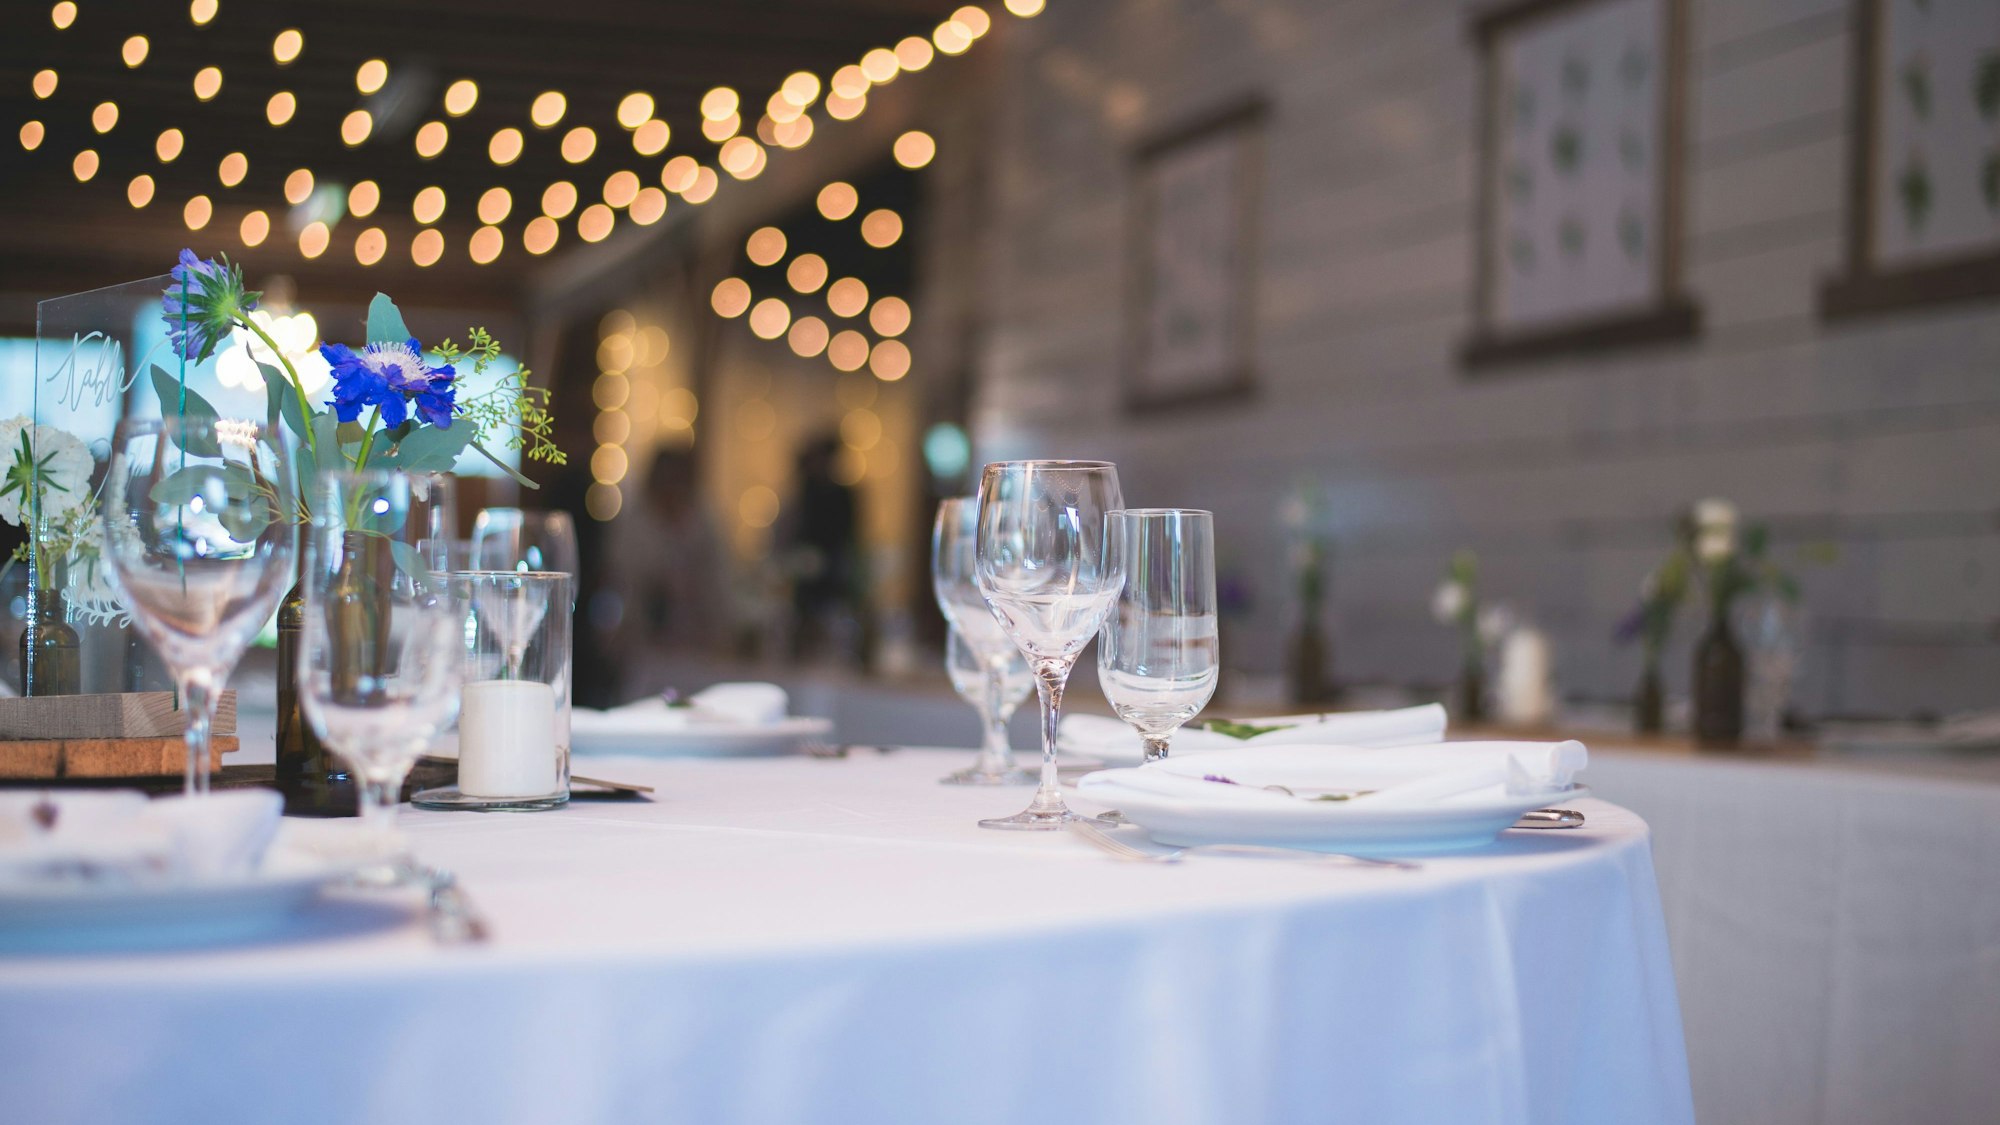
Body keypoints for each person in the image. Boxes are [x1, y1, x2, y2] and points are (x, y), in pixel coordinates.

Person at [607, 448, 730, 671]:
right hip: (645, 643)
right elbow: (621, 582)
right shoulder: (636, 525)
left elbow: (718, 581)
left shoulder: (701, 522)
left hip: (698, 642)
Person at [779, 434, 862, 662]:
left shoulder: (843, 496)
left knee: (834, 638)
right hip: (804, 580)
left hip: (834, 580)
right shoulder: (803, 494)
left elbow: (850, 540)